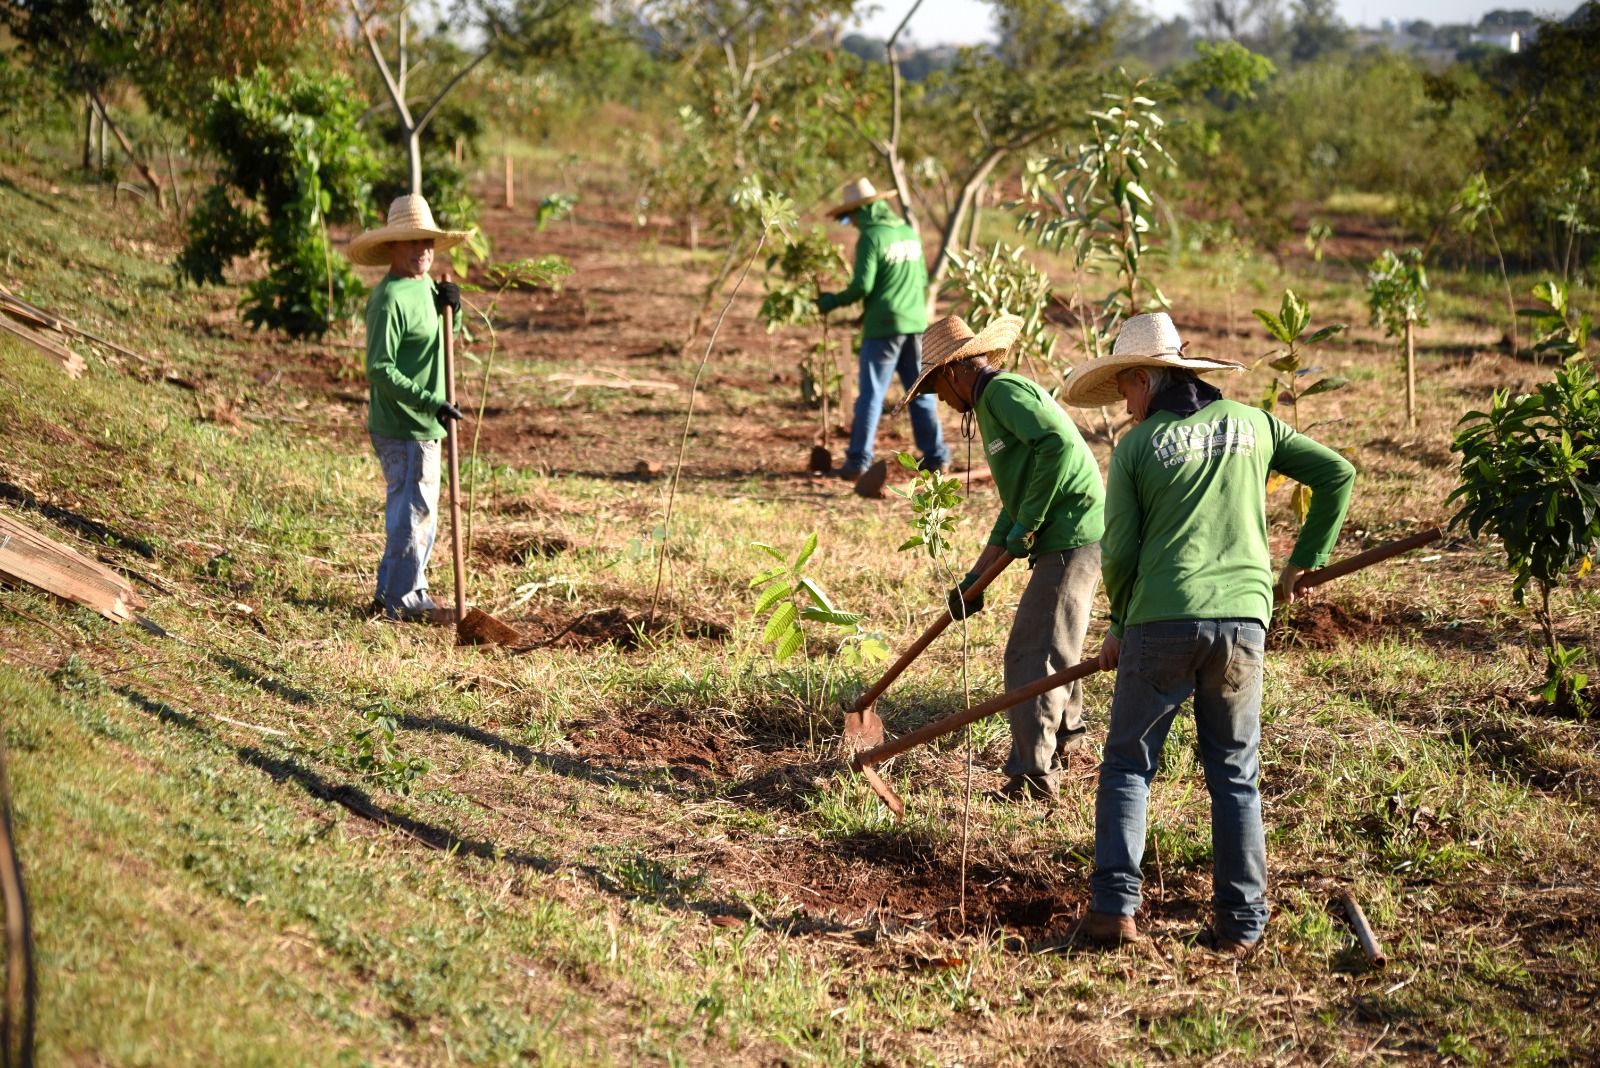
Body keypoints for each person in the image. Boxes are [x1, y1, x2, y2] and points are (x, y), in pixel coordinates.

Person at [1063, 311, 1355, 955]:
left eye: (1126, 391)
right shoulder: (1256, 425)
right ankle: (1242, 922)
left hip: (1161, 621)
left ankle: (1113, 907)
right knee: (1234, 774)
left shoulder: (1138, 448)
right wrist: (1307, 556)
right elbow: (1337, 474)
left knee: (1129, 767)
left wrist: (1119, 624)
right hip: (1244, 621)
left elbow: (1122, 553)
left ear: (1146, 379)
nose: (1125, 406)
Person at [897, 313, 1105, 803]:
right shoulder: (991, 404)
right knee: (1055, 642)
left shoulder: (1005, 394)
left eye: (938, 388)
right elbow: (1014, 506)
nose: (942, 401)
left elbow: (1055, 447)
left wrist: (1030, 524)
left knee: (1032, 653)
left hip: (1072, 532)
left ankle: (1032, 778)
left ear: (954, 371)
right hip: (1063, 532)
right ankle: (1069, 740)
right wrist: (976, 578)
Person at [346, 194, 472, 622]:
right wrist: (429, 401)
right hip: (403, 422)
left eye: (428, 243)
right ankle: (403, 600)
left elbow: (441, 341)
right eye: (412, 243)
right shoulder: (389, 299)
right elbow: (379, 368)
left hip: (429, 419)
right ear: (392, 248)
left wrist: (452, 311)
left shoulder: (426, 287)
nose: (422, 251)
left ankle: (397, 591)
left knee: (420, 510)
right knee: (412, 510)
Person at [816, 177, 948, 484]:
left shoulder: (871, 237)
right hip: (916, 324)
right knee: (921, 392)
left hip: (884, 328)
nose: (851, 224)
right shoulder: (908, 233)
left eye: (849, 217)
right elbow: (924, 282)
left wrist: (831, 301)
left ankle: (858, 461)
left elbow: (863, 285)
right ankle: (937, 457)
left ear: (865, 211)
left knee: (871, 396)